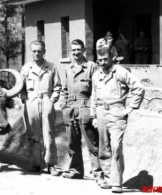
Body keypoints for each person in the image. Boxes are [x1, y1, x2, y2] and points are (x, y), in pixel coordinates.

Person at [90, 40, 145, 193]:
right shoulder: (96, 75)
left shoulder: (120, 72)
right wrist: (93, 115)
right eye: (99, 60)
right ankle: (109, 178)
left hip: (116, 114)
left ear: (112, 57)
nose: (102, 63)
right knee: (104, 148)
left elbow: (138, 88)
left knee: (116, 147)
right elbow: (93, 96)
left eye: (105, 59)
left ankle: (116, 183)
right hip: (100, 113)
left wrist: (130, 108)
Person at [59, 39, 109, 188]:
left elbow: (97, 89)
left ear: (83, 50)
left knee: (92, 144)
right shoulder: (68, 69)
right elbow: (64, 90)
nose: (75, 53)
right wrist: (63, 105)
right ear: (70, 51)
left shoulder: (92, 67)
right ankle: (75, 170)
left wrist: (94, 111)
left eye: (78, 50)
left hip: (86, 108)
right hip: (70, 109)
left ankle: (99, 175)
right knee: (72, 143)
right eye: (73, 50)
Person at [20, 40, 61, 175]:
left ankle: (51, 164)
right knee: (33, 136)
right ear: (30, 52)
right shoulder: (26, 68)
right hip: (31, 102)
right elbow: (21, 87)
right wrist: (25, 99)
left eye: (39, 51)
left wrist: (51, 100)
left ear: (44, 51)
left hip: (46, 100)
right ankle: (35, 164)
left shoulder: (51, 67)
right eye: (34, 51)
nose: (37, 53)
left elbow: (57, 86)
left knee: (49, 134)